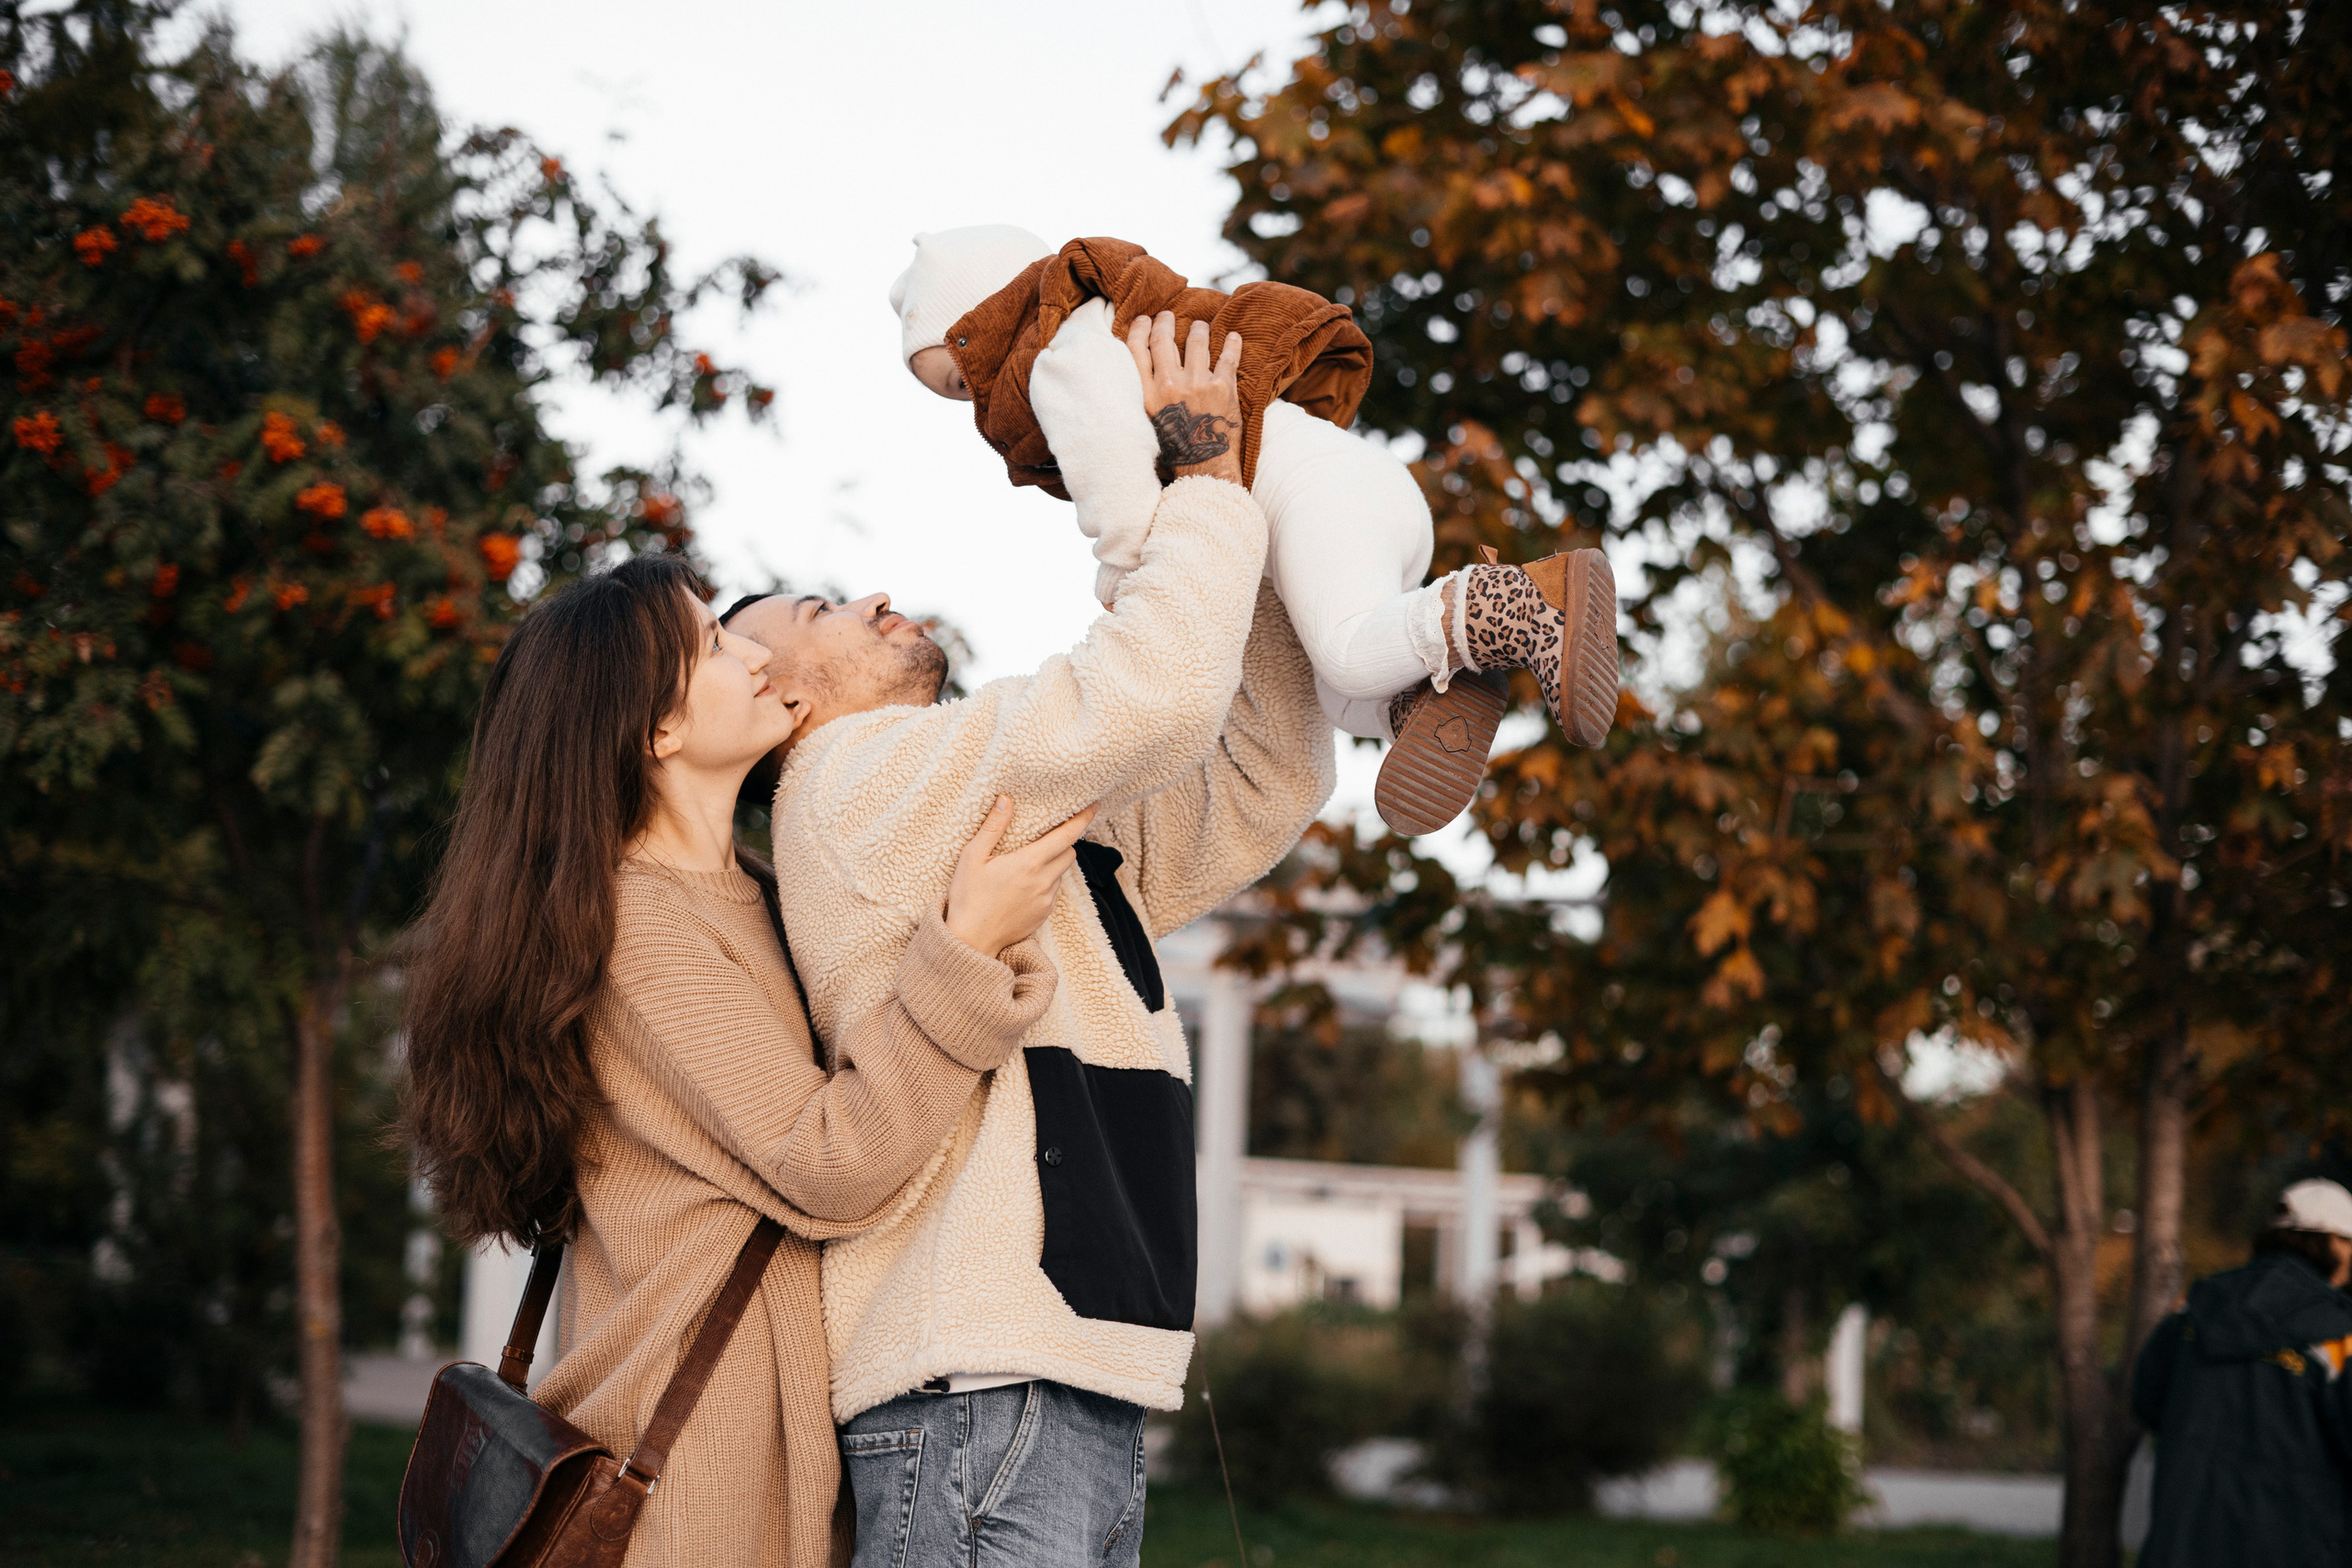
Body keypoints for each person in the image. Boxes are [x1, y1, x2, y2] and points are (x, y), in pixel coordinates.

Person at [727, 313, 1332, 1568]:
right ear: (782, 700)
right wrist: (1199, 482)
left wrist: (1243, 499)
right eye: (825, 608)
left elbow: (1263, 774)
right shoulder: (851, 781)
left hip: (1048, 1381)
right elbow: (1150, 691)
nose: (877, 595)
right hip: (979, 1390)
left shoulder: (976, 813)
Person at [400, 552, 1098, 1567]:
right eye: (718, 646)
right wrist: (967, 948)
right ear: (658, 729)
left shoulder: (762, 895)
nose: (758, 655)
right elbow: (831, 1159)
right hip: (691, 1492)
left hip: (771, 1468)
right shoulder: (637, 923)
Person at [887, 224, 1623, 837]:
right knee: (1342, 695)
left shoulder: (1059, 354)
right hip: (1352, 499)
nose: (972, 399)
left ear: (973, 326)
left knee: (1345, 657)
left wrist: (1130, 566)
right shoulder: (1093, 323)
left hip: (1314, 497)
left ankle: (1522, 599)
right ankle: (1435, 685)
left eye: (956, 380)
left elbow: (1109, 459)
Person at [2132, 1178, 2352, 1568]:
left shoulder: (2192, 1312)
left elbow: (2146, 1401)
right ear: (2334, 1241)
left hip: (2182, 1550)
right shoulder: (2339, 1331)